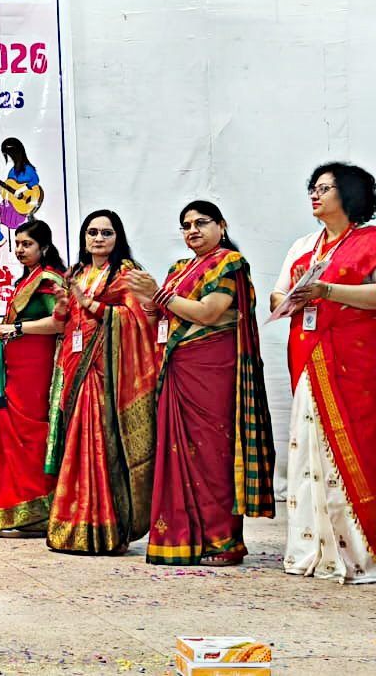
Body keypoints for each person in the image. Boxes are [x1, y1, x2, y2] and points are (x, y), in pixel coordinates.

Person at [270, 164, 376, 584]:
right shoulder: (303, 246)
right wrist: (295, 298)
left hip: (357, 356)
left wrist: (327, 290)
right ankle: (311, 551)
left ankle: (362, 556)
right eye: (313, 188)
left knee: (360, 442)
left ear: (348, 194)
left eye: (325, 188)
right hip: (309, 353)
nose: (315, 195)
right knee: (308, 443)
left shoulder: (375, 240)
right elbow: (278, 294)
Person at [127, 200, 274, 566]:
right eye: (186, 225)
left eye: (201, 222)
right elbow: (163, 316)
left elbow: (209, 312)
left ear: (221, 226)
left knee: (213, 453)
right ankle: (184, 538)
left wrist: (159, 294)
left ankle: (224, 541)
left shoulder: (229, 263)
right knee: (177, 452)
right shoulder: (179, 269)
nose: (192, 230)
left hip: (213, 368)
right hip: (178, 368)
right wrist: (148, 300)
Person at [44, 210, 160, 555]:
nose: (98, 238)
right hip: (75, 368)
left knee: (102, 445)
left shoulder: (126, 274)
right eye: (92, 232)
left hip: (107, 374)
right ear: (84, 238)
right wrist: (64, 304)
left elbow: (136, 320)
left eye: (106, 233)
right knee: (75, 446)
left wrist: (89, 303)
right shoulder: (78, 273)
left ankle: (105, 528)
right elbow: (64, 322)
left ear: (117, 238)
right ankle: (72, 524)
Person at [0, 219, 65, 536]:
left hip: (36, 369)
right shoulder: (25, 280)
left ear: (44, 247)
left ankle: (36, 514)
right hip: (15, 366)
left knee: (29, 435)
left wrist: (17, 328)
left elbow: (60, 323)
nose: (20, 250)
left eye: (27, 244)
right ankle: (8, 510)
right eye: (17, 244)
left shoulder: (49, 280)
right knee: (7, 435)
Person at [0, 137, 43, 250]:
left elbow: (35, 180)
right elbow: (7, 194)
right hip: (10, 206)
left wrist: (22, 189)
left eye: (7, 154)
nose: (6, 157)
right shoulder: (12, 171)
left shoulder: (28, 169)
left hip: (20, 212)